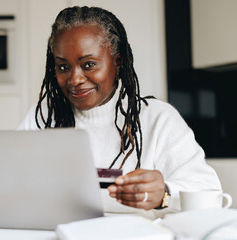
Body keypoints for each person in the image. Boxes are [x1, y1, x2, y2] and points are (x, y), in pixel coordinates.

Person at [18, 6, 221, 216]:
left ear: (118, 61)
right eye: (62, 67)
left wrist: (164, 195)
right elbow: (10, 182)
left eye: (88, 64)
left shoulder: (157, 118)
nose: (74, 79)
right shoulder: (42, 117)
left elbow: (210, 192)